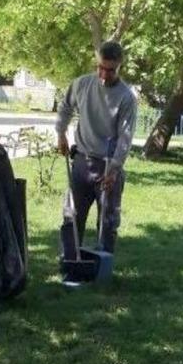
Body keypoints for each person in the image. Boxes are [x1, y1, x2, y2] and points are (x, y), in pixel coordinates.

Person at [56, 41, 137, 261]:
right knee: (72, 216)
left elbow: (125, 138)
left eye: (110, 70)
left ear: (120, 67)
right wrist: (60, 133)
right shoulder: (82, 84)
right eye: (100, 67)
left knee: (107, 222)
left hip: (108, 165)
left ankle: (102, 265)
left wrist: (113, 169)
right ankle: (70, 262)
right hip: (82, 162)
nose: (103, 74)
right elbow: (65, 107)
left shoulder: (126, 98)